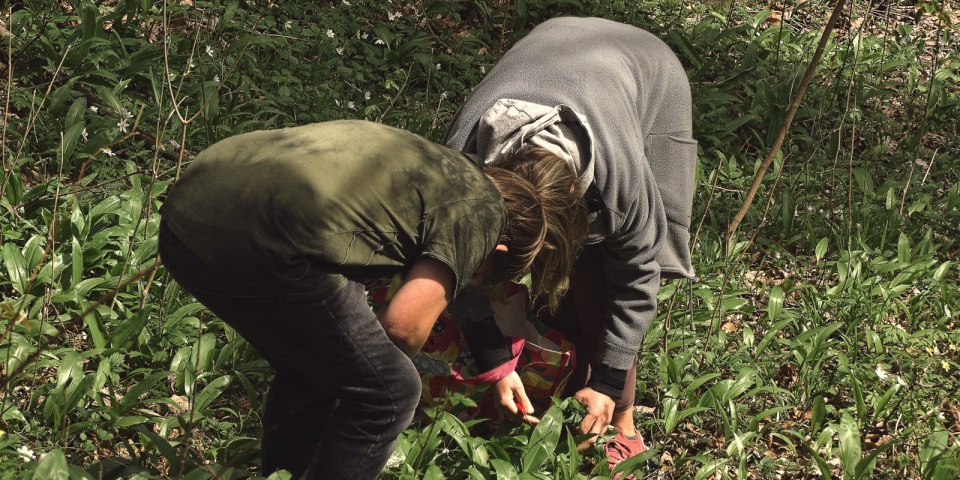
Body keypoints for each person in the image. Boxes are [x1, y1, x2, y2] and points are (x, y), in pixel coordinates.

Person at [157, 120, 585, 479]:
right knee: (392, 391)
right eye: (478, 272)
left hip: (190, 210)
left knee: (311, 364)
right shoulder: (483, 213)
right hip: (261, 243)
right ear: (498, 251)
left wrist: (493, 364)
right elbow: (402, 328)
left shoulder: (443, 165)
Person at [443, 17, 698, 472]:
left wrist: (609, 382)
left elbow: (638, 281)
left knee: (600, 275)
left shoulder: (622, 187)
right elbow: (456, 263)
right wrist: (495, 364)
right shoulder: (460, 160)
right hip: (556, 43)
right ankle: (571, 372)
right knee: (559, 287)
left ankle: (620, 418)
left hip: (647, 71)